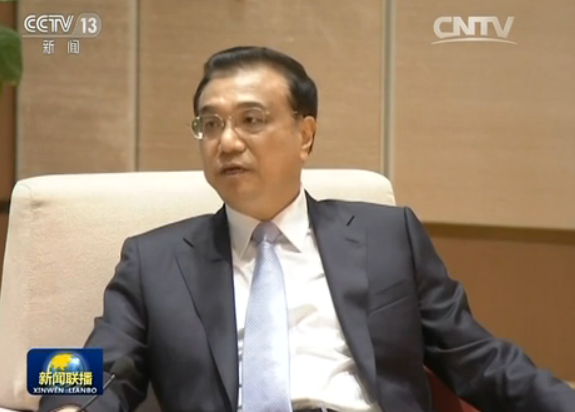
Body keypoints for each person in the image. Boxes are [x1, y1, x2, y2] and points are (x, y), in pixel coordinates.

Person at [40, 46, 575, 412]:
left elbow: (477, 359)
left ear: (305, 135)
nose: (227, 142)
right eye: (210, 123)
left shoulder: (388, 236)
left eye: (252, 120)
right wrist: (65, 403)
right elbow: (96, 368)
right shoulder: (154, 260)